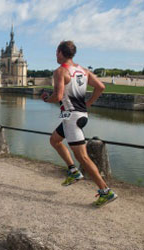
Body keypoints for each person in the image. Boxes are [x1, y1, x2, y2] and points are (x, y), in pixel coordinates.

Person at [41, 41, 117, 207]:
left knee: (82, 156)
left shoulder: (60, 71)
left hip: (72, 118)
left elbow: (59, 95)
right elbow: (101, 87)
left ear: (61, 53)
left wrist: (47, 99)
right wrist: (88, 103)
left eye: (56, 52)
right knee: (54, 140)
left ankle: (106, 191)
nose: (55, 55)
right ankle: (73, 171)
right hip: (79, 114)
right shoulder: (84, 71)